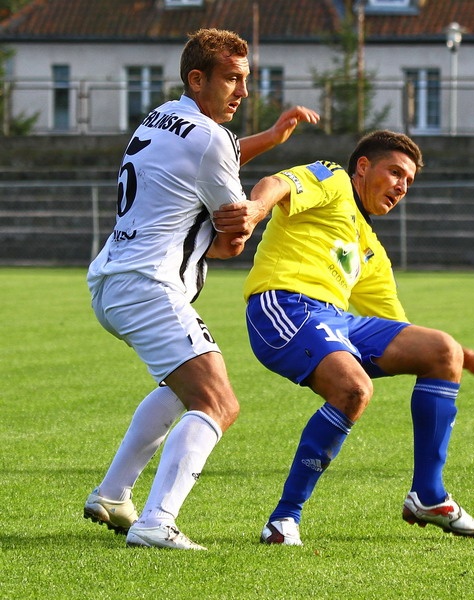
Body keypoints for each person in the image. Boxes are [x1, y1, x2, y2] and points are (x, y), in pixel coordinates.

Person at [83, 28, 320, 550]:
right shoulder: (211, 139)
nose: (244, 92)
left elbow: (216, 153)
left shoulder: (164, 115)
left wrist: (273, 138)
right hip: (148, 285)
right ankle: (154, 523)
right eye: (233, 79)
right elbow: (233, 237)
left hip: (112, 276)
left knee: (181, 388)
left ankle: (112, 494)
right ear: (198, 79)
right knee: (218, 402)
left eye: (246, 80)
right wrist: (252, 216)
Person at [234, 129, 474, 546]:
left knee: (439, 349)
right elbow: (278, 184)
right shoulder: (333, 178)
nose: (402, 187)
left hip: (335, 320)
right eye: (395, 173)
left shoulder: (369, 247)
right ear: (364, 167)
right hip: (283, 305)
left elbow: (402, 330)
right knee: (354, 389)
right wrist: (255, 209)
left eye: (408, 181)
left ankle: (428, 495)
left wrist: (471, 359)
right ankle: (283, 520)